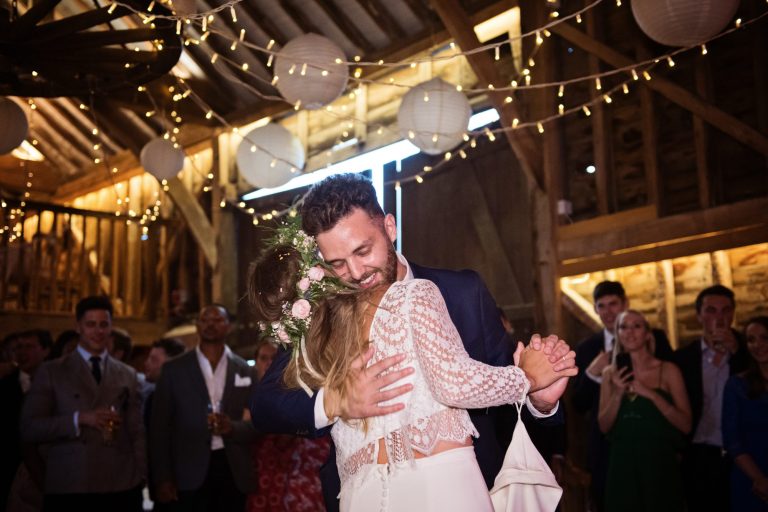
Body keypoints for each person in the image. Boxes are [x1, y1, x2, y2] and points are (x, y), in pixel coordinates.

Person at [250, 173, 575, 511]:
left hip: (455, 488)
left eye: (363, 250)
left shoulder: (463, 292)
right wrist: (334, 402)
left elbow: (497, 382)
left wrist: (538, 398)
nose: (356, 272)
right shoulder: (323, 314)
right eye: (337, 264)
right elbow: (265, 405)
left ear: (390, 227)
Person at [20, 296, 145, 511]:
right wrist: (80, 418)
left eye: (104, 325)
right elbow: (30, 428)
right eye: (91, 325)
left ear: (111, 328)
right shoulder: (52, 371)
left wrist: (142, 473)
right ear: (78, 327)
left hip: (121, 482)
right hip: (72, 481)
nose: (98, 331)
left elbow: (137, 431)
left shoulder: (127, 373)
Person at [572, 280, 673, 511]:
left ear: (625, 303)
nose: (608, 312)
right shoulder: (587, 348)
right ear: (596, 310)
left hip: (652, 439)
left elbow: (673, 390)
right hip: (605, 442)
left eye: (613, 304)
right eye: (602, 306)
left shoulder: (653, 338)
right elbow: (579, 404)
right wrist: (591, 373)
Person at [150, 304, 258, 511]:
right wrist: (163, 477)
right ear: (198, 326)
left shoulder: (244, 370)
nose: (210, 324)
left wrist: (232, 428)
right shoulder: (174, 369)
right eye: (205, 320)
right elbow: (159, 428)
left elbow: (257, 423)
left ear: (229, 326)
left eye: (217, 320)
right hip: (187, 469)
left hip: (232, 468)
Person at [598, 309, 690, 511]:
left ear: (648, 333)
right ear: (617, 333)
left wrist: (651, 394)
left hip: (659, 463)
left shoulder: (668, 370)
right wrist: (618, 392)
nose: (630, 332)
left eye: (636, 326)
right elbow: (604, 427)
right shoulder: (609, 374)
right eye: (623, 327)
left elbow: (685, 425)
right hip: (622, 464)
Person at [674, 284, 750, 511]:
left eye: (726, 310)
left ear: (733, 314)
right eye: (711, 310)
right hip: (699, 455)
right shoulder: (683, 359)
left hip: (744, 455)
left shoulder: (750, 353)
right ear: (699, 315)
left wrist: (737, 352)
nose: (719, 317)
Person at [247, 339, 329, 512]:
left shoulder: (299, 386)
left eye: (273, 357)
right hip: (263, 472)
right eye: (263, 358)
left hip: (302, 467)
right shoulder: (248, 394)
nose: (269, 363)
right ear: (256, 362)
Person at [0, 329, 51, 511]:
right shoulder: (4, 386)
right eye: (19, 347)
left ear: (45, 351)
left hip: (49, 469)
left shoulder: (58, 386)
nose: (22, 352)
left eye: (29, 346)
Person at [722, 316, 768, 511]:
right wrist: (760, 479)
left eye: (764, 338)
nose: (758, 345)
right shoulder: (737, 385)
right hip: (750, 476)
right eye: (751, 339)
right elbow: (732, 440)